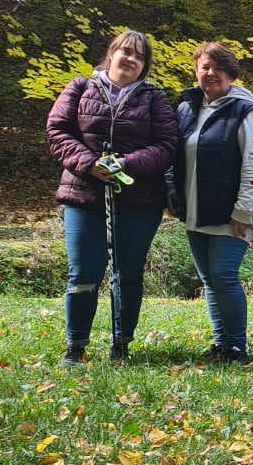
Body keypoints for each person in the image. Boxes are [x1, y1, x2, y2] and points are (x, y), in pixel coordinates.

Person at [46, 28, 179, 364]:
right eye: (126, 51)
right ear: (111, 53)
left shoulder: (154, 98)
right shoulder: (80, 87)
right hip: (83, 195)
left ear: (145, 65)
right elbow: (57, 131)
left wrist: (125, 163)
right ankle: (76, 346)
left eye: (139, 56)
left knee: (128, 273)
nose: (131, 59)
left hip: (139, 201)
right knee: (83, 273)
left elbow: (166, 146)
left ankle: (121, 345)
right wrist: (90, 164)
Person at [169, 43, 253, 362]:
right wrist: (173, 198)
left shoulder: (246, 111)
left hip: (233, 212)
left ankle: (237, 345)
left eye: (218, 67)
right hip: (195, 208)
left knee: (223, 274)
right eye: (205, 67)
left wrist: (244, 210)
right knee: (209, 279)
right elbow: (173, 156)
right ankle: (220, 342)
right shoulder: (187, 109)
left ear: (231, 73)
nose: (211, 73)